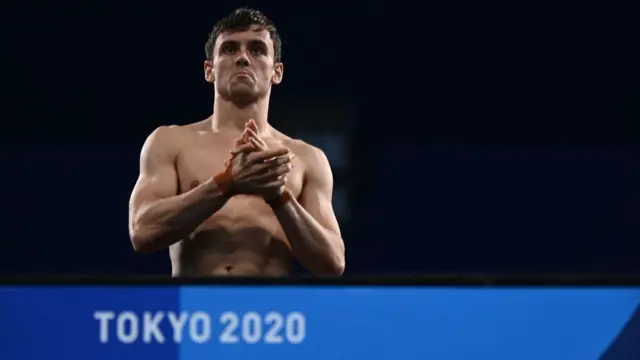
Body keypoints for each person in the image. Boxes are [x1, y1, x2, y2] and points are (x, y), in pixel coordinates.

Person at [127, 8, 345, 276]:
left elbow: (332, 262)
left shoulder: (307, 158)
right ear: (209, 70)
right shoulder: (170, 142)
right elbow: (142, 232)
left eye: (257, 49)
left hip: (267, 312)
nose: (242, 58)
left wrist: (279, 196)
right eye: (230, 49)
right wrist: (226, 183)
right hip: (196, 312)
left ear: (277, 72)